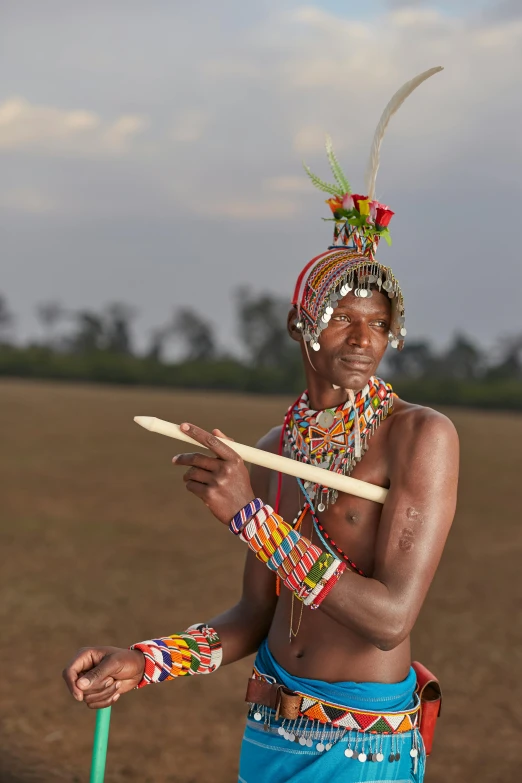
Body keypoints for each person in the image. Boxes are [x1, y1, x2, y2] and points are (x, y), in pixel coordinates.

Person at [63, 67, 458, 783]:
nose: (364, 338)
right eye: (343, 316)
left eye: (379, 324)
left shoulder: (419, 437)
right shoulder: (275, 452)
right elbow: (254, 611)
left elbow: (390, 617)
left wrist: (250, 515)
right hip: (269, 729)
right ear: (299, 324)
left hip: (362, 745)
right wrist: (146, 661)